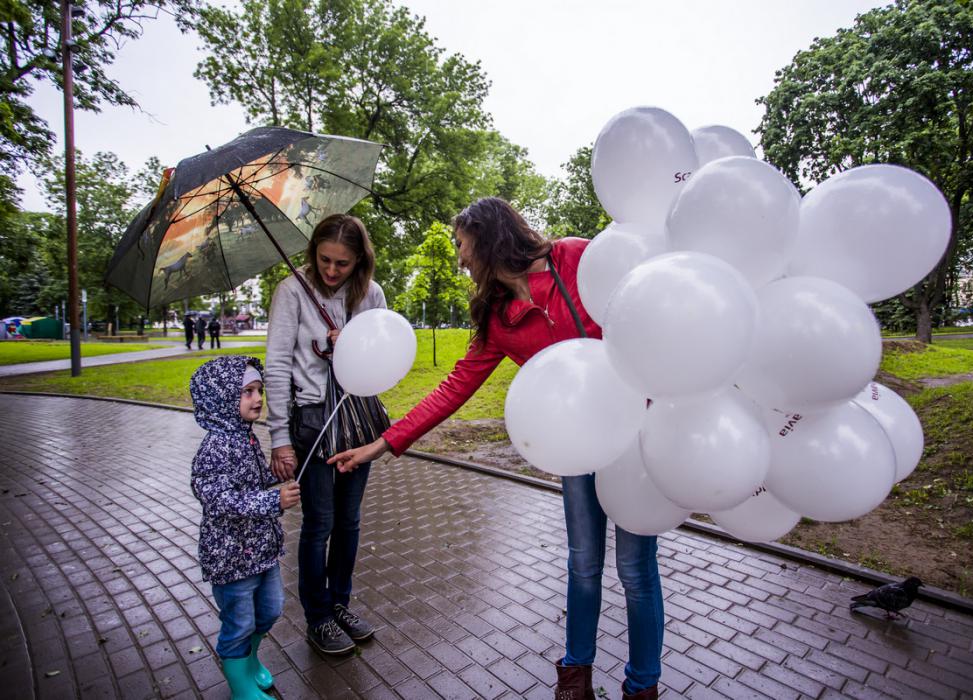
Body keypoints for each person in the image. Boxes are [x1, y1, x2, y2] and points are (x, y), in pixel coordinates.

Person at [328, 197, 664, 699]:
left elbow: (644, 313)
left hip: (634, 437)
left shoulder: (572, 257)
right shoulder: (497, 317)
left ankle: (641, 687)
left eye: (463, 246)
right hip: (576, 447)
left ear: (488, 239)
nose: (461, 259)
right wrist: (383, 443)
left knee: (635, 570)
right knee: (583, 564)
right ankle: (575, 678)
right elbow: (454, 388)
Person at [266, 214, 387, 655]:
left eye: (343, 263)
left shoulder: (371, 294)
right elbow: (277, 365)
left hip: (357, 417)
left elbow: (382, 358)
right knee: (320, 523)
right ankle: (317, 617)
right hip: (313, 418)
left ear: (360, 261)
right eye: (325, 260)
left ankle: (339, 605)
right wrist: (279, 437)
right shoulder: (292, 290)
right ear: (313, 252)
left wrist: (354, 344)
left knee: (350, 521)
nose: (333, 271)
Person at [189, 355, 301, 699]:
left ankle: (250, 663)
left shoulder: (245, 437)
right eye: (247, 392)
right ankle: (240, 687)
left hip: (260, 550)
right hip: (231, 557)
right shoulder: (214, 448)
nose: (258, 398)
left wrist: (275, 476)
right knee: (238, 624)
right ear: (222, 398)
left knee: (269, 610)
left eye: (259, 389)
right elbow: (220, 500)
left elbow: (248, 481)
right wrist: (272, 501)